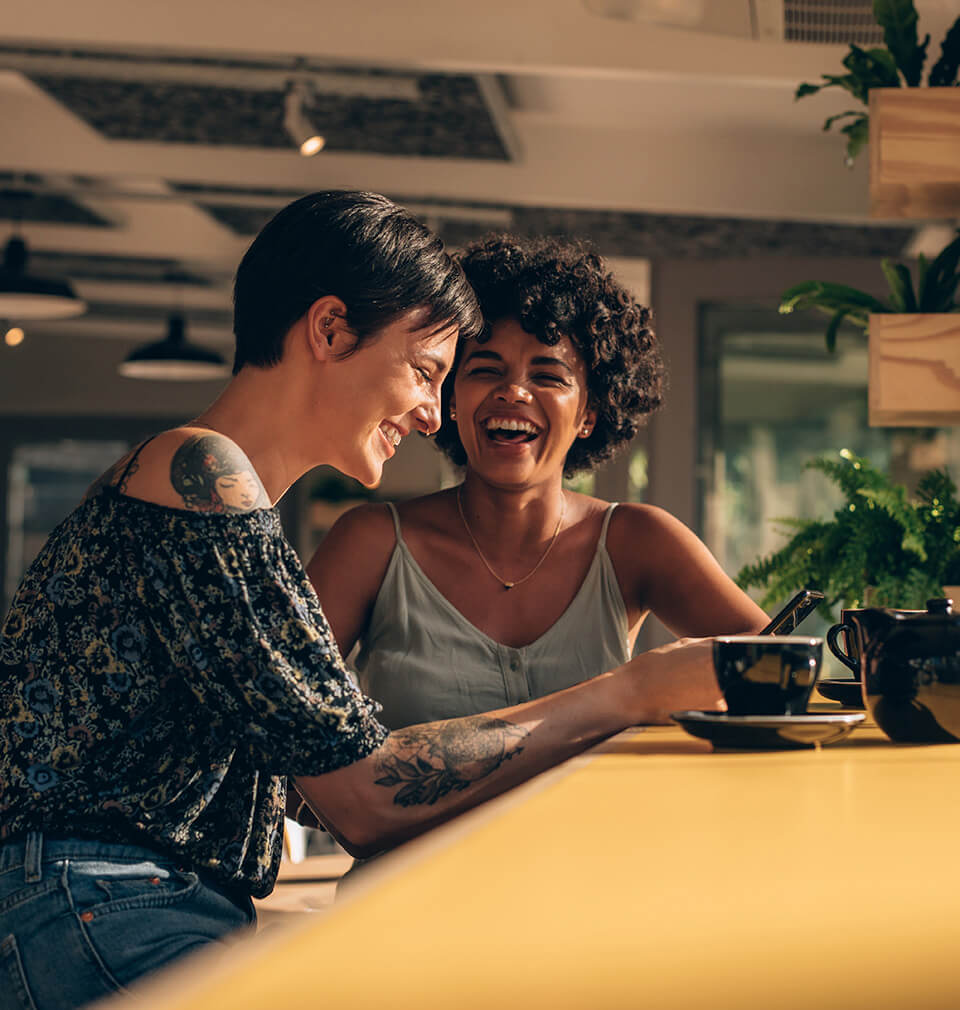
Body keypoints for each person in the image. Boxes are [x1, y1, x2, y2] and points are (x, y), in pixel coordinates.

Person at [0, 195, 722, 1010]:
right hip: (102, 903)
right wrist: (634, 690)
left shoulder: (214, 496)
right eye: (426, 371)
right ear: (331, 330)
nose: (428, 412)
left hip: (116, 904)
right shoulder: (201, 475)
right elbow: (365, 794)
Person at [307, 233, 768, 734]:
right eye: (485, 369)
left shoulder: (636, 541)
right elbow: (282, 723)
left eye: (548, 376)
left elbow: (770, 663)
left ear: (590, 412)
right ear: (450, 397)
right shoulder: (371, 544)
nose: (513, 391)